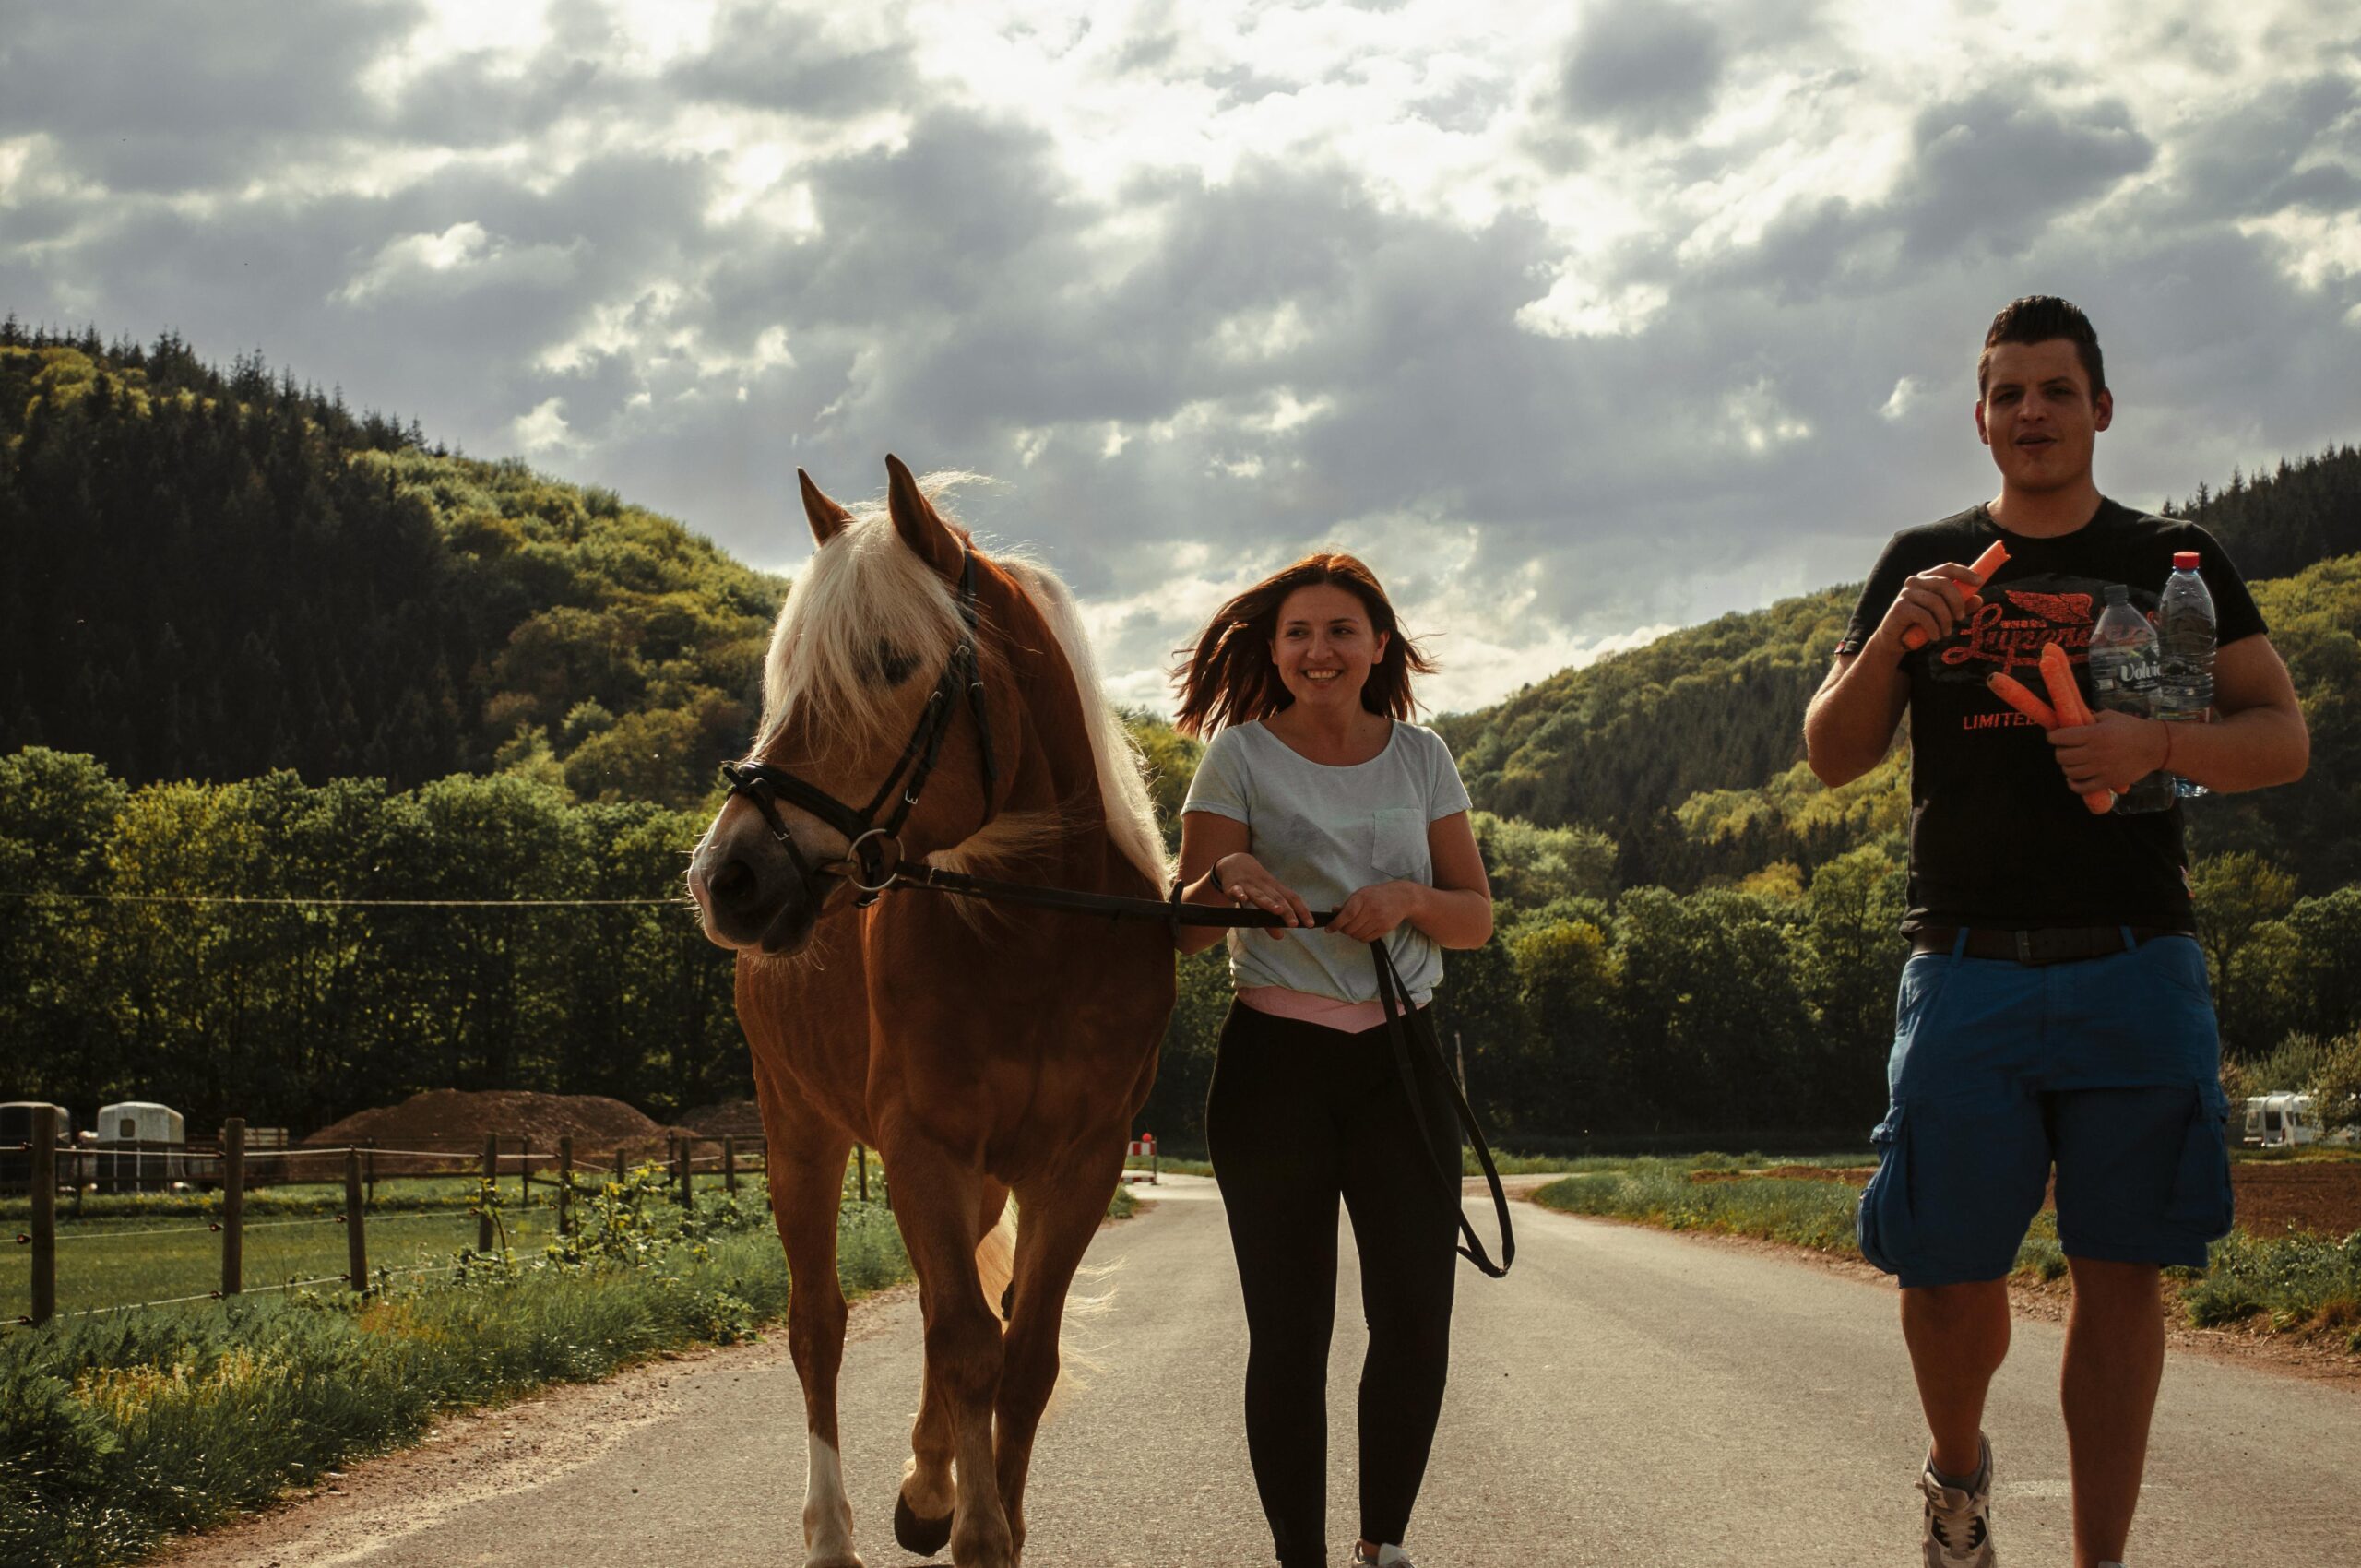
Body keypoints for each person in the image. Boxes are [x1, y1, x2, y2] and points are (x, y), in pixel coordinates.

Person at [1804, 295, 2309, 1568]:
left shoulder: (2174, 558)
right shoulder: (1925, 559)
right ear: (1981, 418)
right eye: (2009, 393)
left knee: (2121, 1269)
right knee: (1941, 1269)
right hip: (1964, 965)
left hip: (2137, 958)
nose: (2033, 412)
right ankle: (1959, 1477)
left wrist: (2157, 746)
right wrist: (1892, 645)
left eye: (2056, 390)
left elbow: (2280, 738)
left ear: (2101, 408)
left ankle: (2098, 1561)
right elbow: (1831, 755)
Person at [1169, 552, 1494, 1568]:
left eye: (1341, 630)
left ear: (1378, 645)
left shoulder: (1424, 756)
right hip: (1276, 1064)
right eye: (1300, 632)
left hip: (1401, 1062)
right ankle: (1296, 1557)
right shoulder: (1237, 757)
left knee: (1414, 1318)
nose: (1320, 649)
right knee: (1289, 1331)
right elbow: (1179, 930)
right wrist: (1226, 871)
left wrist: (1404, 899)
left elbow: (1475, 917)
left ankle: (1383, 1543)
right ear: (1272, 649)